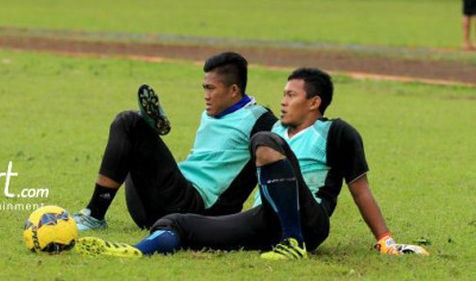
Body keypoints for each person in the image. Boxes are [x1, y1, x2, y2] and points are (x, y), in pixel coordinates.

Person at [76, 68, 429, 259]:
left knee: (262, 140)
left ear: (314, 102)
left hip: (309, 222)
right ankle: (133, 252)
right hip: (263, 219)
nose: (283, 100)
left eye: (291, 94)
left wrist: (385, 240)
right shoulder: (274, 129)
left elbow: (361, 189)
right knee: (176, 222)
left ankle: (293, 243)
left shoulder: (336, 132)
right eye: (283, 93)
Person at [73, 52, 277, 231]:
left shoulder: (259, 119)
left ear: (233, 90)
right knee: (131, 131)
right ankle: (147, 125)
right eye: (204, 88)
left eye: (211, 89)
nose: (206, 96)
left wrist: (260, 213)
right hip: (156, 208)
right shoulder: (211, 112)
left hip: (197, 210)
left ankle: (94, 214)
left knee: (129, 122)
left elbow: (285, 155)